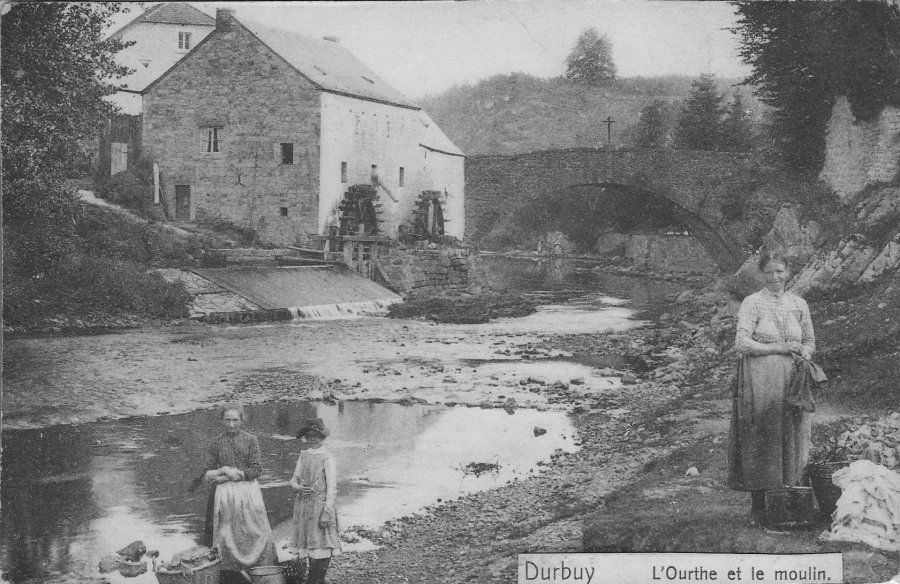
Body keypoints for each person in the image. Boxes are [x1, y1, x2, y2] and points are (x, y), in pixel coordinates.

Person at [727, 247, 816, 524]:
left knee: (794, 433)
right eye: (769, 272)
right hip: (760, 377)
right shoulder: (752, 303)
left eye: (780, 271)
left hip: (793, 379)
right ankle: (758, 506)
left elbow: (810, 341)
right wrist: (778, 347)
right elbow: (742, 342)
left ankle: (788, 500)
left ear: (788, 273)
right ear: (762, 274)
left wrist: (805, 355)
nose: (775, 277)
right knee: (761, 435)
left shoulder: (799, 304)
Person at [201, 404, 276, 577]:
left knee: (255, 530)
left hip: (248, 491)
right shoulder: (216, 442)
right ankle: (230, 570)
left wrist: (235, 475)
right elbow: (207, 472)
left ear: (242, 421)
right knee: (226, 533)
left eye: (235, 420)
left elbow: (256, 469)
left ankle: (259, 567)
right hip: (225, 494)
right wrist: (223, 472)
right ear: (222, 421)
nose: (231, 425)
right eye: (227, 420)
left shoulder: (251, 440)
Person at [290, 418, 341, 584]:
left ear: (322, 436)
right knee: (308, 543)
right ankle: (314, 579)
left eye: (316, 435)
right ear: (306, 437)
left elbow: (332, 488)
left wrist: (326, 512)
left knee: (322, 541)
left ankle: (318, 579)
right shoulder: (303, 455)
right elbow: (293, 480)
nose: (313, 439)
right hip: (304, 504)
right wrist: (298, 487)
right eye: (309, 435)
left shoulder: (327, 457)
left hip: (320, 505)